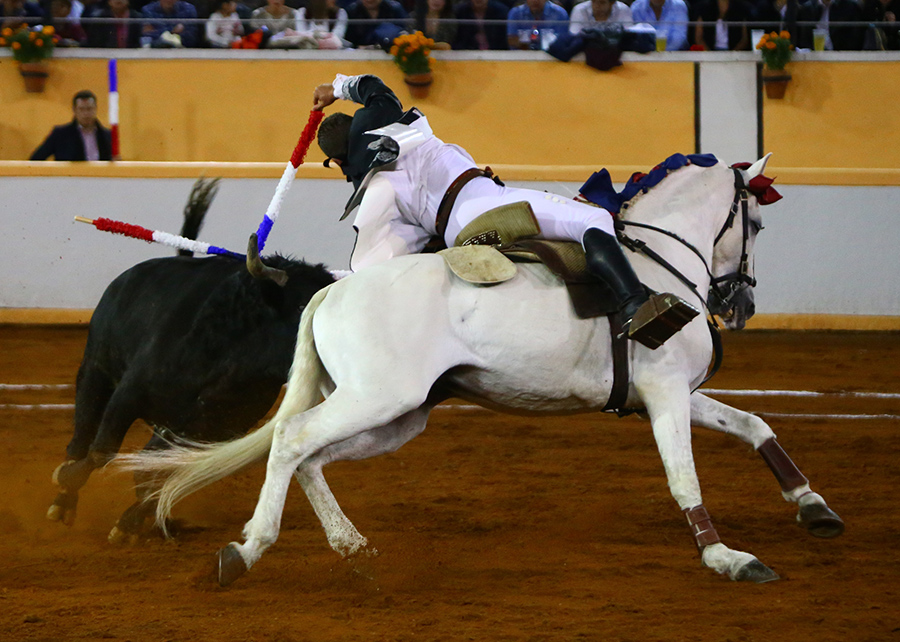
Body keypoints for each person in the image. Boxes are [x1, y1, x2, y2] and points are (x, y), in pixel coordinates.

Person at [311, 74, 698, 349]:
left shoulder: (376, 193)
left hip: (455, 230)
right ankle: (633, 304)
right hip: (483, 202)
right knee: (592, 218)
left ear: (339, 162)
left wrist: (321, 277)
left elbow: (377, 270)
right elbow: (374, 88)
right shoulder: (382, 128)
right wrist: (338, 86)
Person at [30, 90, 113, 161]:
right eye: (81, 109)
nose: (86, 114)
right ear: (74, 110)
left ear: (95, 109)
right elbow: (35, 160)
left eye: (89, 109)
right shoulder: (60, 135)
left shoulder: (107, 135)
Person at [796, 0, 865, 49]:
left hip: (841, 59)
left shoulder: (851, 8)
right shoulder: (807, 9)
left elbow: (856, 41)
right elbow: (802, 41)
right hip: (813, 59)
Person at [343, 0, 408, 48]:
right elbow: (347, 42)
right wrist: (359, 47)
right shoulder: (351, 11)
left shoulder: (395, 8)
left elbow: (406, 33)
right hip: (359, 56)